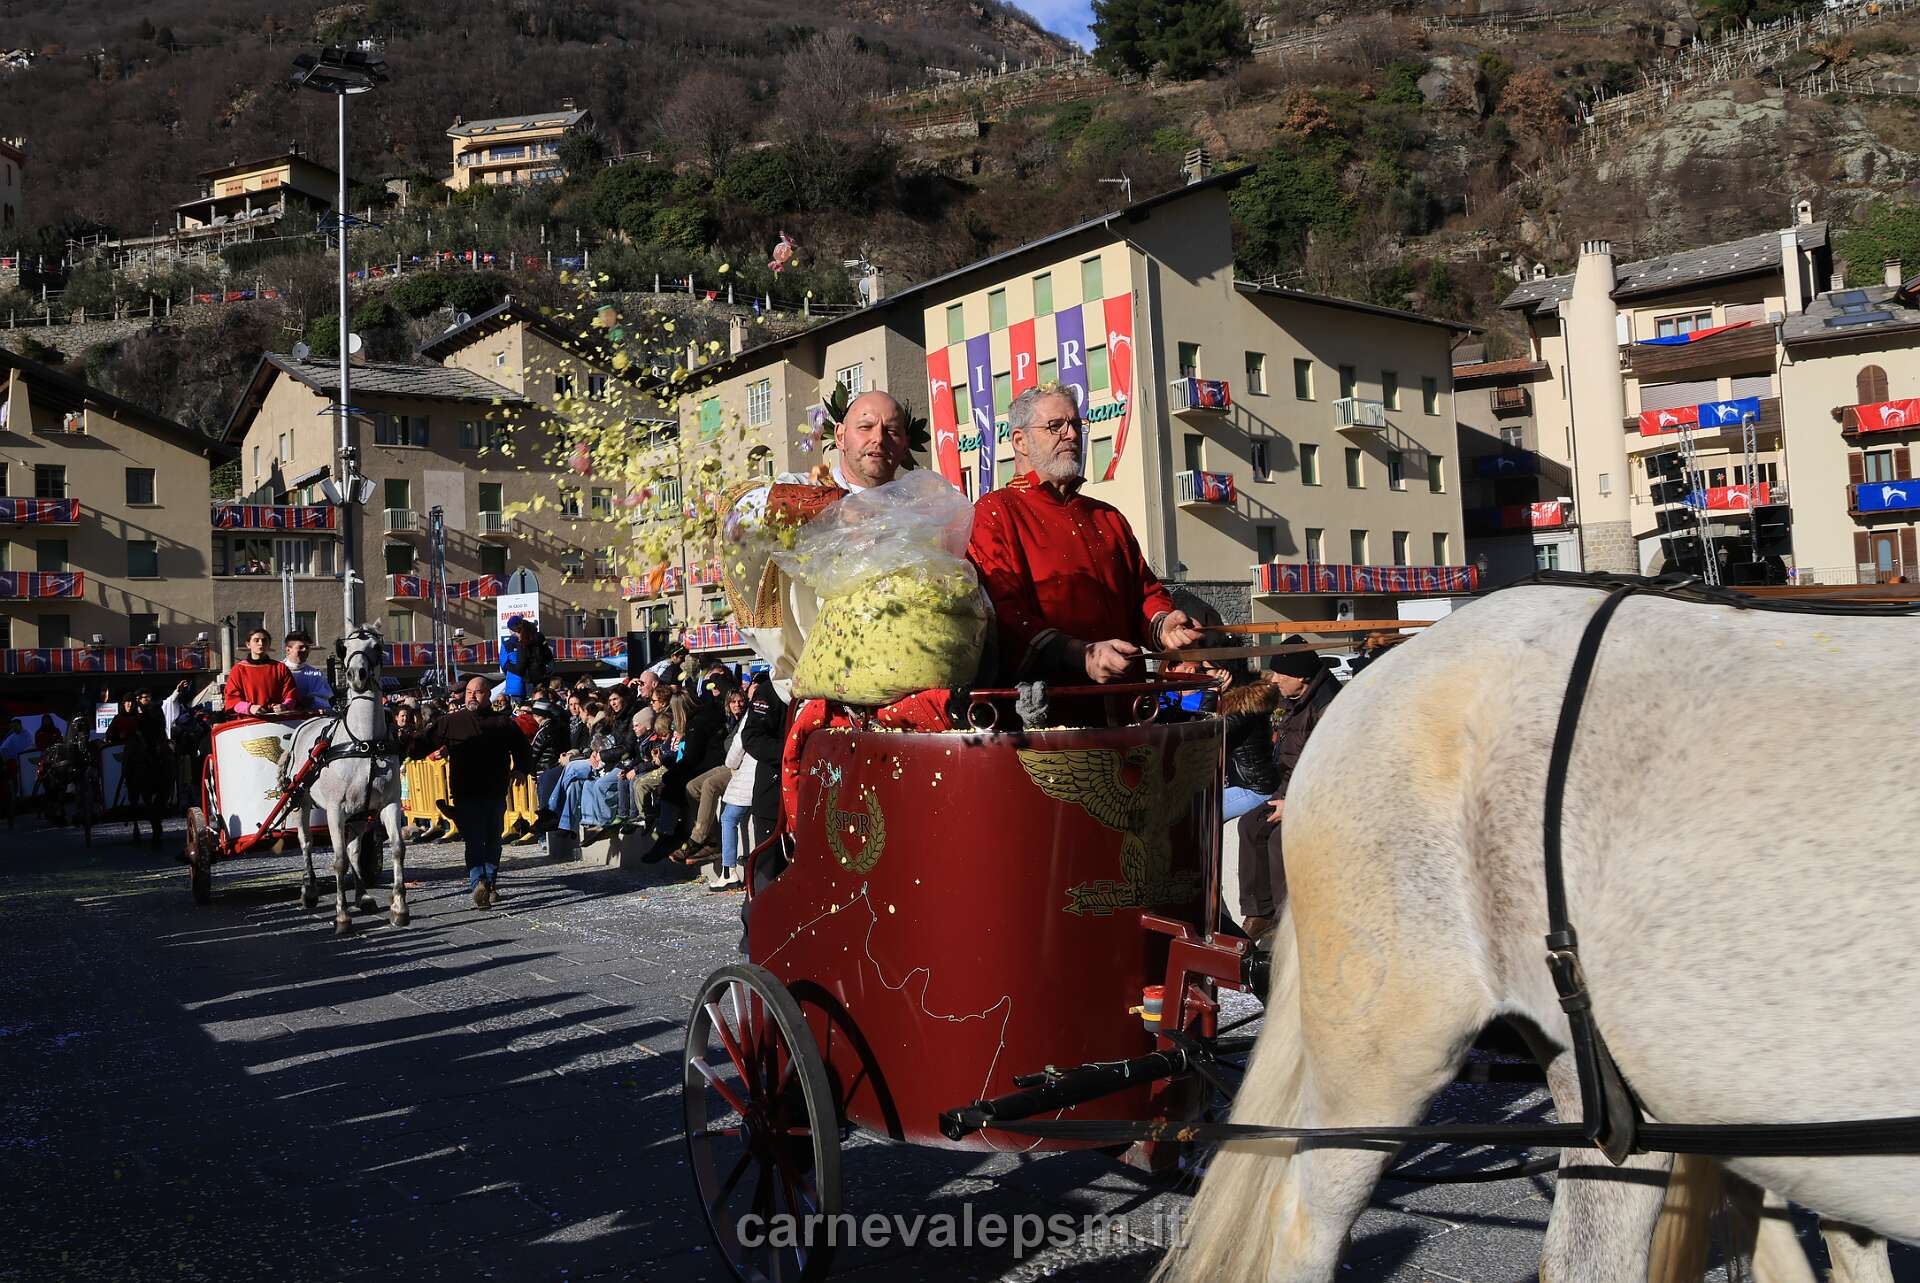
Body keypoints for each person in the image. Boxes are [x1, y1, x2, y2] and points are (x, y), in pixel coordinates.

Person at [967, 385, 1204, 683]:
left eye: (1076, 424)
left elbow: (1144, 593)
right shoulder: (994, 513)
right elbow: (1002, 614)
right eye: (1055, 426)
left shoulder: (1108, 516)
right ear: (1020, 440)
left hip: (1125, 698)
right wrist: (1080, 654)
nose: (1072, 434)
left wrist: (1163, 625)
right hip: (1050, 702)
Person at [724, 389, 912, 684]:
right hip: (817, 685)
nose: (878, 438)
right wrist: (834, 506)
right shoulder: (803, 486)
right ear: (840, 436)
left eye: (892, 431)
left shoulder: (918, 509)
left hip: (908, 679)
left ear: (905, 444)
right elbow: (737, 510)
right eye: (865, 426)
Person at [1234, 643, 1340, 942]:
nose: (1274, 679)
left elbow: (1330, 769)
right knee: (1251, 825)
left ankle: (1289, 922)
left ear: (1301, 676)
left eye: (1281, 673)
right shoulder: (1296, 697)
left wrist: (1294, 805)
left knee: (1280, 838)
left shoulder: (1328, 706)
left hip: (1318, 798)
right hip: (1290, 788)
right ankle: (1260, 913)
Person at [409, 675, 531, 908]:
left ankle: (490, 882)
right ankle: (478, 884)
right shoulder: (451, 721)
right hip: (465, 790)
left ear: (488, 695)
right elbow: (424, 742)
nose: (472, 696)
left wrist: (521, 769)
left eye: (478, 692)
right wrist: (405, 745)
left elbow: (522, 748)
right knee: (474, 840)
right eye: (468, 692)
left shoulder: (502, 723)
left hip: (495, 790)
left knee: (493, 840)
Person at [680, 685, 748, 869]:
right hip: (727, 763)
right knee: (692, 787)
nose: (737, 705)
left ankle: (697, 838)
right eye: (733, 702)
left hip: (740, 767)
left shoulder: (747, 719)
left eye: (740, 701)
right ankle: (710, 838)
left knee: (710, 785)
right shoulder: (728, 720)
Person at [1221, 672, 1282, 821]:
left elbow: (1205, 730)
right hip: (1255, 784)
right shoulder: (1248, 706)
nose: (1204, 672)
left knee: (1197, 811)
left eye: (1206, 668)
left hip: (1254, 789)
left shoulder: (1240, 711)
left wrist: (1211, 694)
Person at [224, 627, 297, 714]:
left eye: (264, 640)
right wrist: (249, 708)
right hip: (249, 719)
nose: (261, 643)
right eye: (256, 640)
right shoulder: (238, 669)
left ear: (269, 644)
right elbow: (232, 698)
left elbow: (291, 694)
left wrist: (285, 706)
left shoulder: (280, 668)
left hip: (276, 718)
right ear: (248, 644)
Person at [500, 616, 551, 700]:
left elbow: (506, 665)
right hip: (538, 680)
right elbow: (548, 657)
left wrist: (508, 666)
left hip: (517, 683)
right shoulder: (538, 638)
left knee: (522, 706)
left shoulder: (512, 644)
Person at [282, 631, 334, 710]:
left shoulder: (315, 674)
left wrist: (311, 700)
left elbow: (324, 701)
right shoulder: (277, 670)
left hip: (308, 716)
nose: (305, 650)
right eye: (301, 647)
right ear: (288, 650)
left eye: (307, 647)